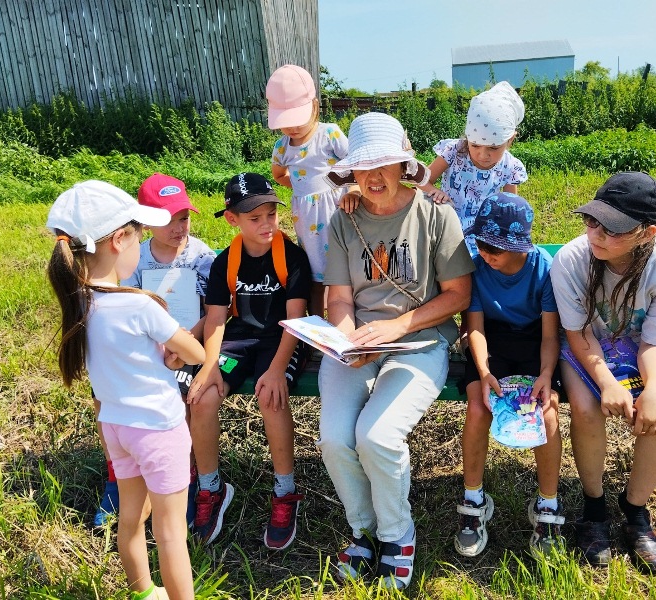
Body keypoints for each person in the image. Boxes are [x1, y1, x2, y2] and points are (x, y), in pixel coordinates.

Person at [318, 112, 475, 590]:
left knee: (378, 436)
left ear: (404, 164)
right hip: (359, 344)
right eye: (363, 167)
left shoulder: (435, 214)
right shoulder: (344, 219)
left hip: (419, 340)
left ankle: (396, 535)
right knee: (335, 438)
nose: (373, 177)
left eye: (383, 164)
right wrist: (346, 340)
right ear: (350, 170)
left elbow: (458, 295)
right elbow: (339, 298)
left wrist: (396, 327)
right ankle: (363, 531)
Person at [46, 180, 206, 600]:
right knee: (170, 531)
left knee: (131, 518)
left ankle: (143, 592)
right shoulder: (139, 304)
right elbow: (195, 352)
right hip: (159, 429)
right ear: (119, 240)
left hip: (116, 427)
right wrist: (176, 353)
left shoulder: (80, 302)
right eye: (138, 234)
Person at [550, 172, 656, 574]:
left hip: (642, 346)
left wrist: (652, 391)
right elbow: (577, 333)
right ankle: (594, 508)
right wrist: (607, 383)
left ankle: (635, 510)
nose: (595, 233)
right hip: (586, 345)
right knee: (585, 407)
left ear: (647, 233)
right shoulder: (572, 260)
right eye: (592, 220)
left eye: (612, 228)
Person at [186, 173, 312, 549]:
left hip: (283, 340)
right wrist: (210, 366)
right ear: (232, 219)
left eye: (271, 214)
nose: (266, 224)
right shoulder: (226, 261)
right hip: (239, 340)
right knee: (202, 397)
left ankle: (285, 491)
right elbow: (216, 319)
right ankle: (210, 488)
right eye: (254, 218)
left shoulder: (292, 257)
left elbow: (296, 320)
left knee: (270, 396)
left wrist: (276, 370)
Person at [92, 173, 216, 530]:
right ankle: (118, 475)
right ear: (145, 222)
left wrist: (183, 341)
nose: (179, 227)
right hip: (146, 346)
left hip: (187, 346)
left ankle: (182, 477)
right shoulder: (135, 260)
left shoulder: (202, 257)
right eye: (168, 220)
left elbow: (215, 310)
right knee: (103, 392)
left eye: (184, 217)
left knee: (183, 394)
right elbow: (124, 307)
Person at [456, 193, 564, 557]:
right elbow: (475, 327)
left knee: (546, 411)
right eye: (481, 245)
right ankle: (473, 499)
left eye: (494, 249)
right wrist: (484, 371)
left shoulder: (544, 269)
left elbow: (549, 335)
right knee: (478, 407)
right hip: (491, 342)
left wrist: (546, 373)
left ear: (519, 246)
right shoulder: (476, 267)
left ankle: (547, 504)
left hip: (535, 341)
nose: (485, 254)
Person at [266, 64, 350, 316]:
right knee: (314, 271)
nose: (292, 128)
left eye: (297, 120)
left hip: (338, 209)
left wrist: (354, 190)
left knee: (344, 268)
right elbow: (278, 174)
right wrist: (303, 188)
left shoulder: (329, 134)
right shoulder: (282, 147)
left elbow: (355, 164)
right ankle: (316, 322)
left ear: (314, 107)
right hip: (306, 217)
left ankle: (347, 316)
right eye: (285, 123)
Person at [420, 81, 528, 258]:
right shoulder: (455, 152)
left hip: (482, 235)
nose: (482, 155)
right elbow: (423, 180)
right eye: (475, 145)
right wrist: (435, 191)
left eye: (493, 148)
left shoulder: (510, 167)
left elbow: (510, 208)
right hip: (445, 225)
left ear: (510, 140)